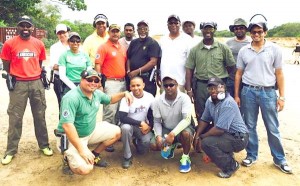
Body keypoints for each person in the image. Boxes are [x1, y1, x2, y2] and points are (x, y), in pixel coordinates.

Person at [234, 19, 292, 174]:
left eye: (260, 31)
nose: (256, 34)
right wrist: (236, 95)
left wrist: (282, 96)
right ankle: (251, 155)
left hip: (268, 92)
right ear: (250, 33)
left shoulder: (274, 49)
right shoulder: (244, 50)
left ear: (265, 32)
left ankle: (280, 159)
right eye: (253, 32)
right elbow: (238, 74)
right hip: (248, 92)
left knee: (272, 127)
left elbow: (279, 73)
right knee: (249, 126)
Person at [56, 69, 133, 175]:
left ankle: (95, 154)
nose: (93, 83)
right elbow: (67, 126)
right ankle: (67, 158)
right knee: (85, 169)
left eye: (96, 81)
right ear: (81, 80)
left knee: (117, 132)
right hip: (72, 137)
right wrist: (82, 150)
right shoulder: (71, 98)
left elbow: (110, 99)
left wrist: (124, 93)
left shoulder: (96, 93)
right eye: (89, 80)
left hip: (90, 131)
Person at [0, 15, 53, 165]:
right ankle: (11, 151)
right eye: (22, 25)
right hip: (19, 85)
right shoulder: (9, 43)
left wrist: (33, 73)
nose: (25, 28)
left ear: (32, 28)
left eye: (27, 26)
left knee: (40, 116)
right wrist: (15, 76)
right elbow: (6, 63)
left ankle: (44, 145)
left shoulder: (39, 44)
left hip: (36, 83)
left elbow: (40, 62)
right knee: (15, 118)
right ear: (18, 27)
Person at [193, 77, 249, 178]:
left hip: (238, 138)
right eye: (210, 88)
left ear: (223, 88)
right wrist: (197, 136)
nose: (213, 90)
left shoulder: (228, 103)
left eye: (216, 87)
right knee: (200, 129)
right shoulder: (210, 101)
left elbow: (219, 130)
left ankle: (231, 165)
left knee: (207, 143)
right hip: (226, 134)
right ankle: (226, 155)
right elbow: (204, 119)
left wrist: (202, 138)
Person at [185, 21, 235, 124]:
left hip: (219, 85)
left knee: (221, 110)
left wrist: (225, 83)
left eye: (210, 29)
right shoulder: (195, 50)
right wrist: (189, 90)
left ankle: (219, 137)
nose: (208, 31)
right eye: (205, 29)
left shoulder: (223, 48)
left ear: (214, 30)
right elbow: (189, 70)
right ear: (201, 30)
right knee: (201, 112)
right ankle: (203, 137)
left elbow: (231, 67)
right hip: (202, 86)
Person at [150, 75, 194, 173]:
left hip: (182, 128)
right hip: (167, 128)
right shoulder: (157, 101)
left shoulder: (184, 98)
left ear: (177, 85)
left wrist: (172, 134)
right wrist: (158, 136)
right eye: (165, 86)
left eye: (171, 85)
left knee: (186, 135)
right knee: (154, 145)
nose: (168, 87)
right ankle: (171, 146)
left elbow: (186, 120)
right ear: (162, 87)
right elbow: (157, 121)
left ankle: (185, 158)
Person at [95, 24, 127, 152]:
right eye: (113, 31)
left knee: (119, 111)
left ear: (120, 33)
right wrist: (99, 84)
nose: (115, 34)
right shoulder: (103, 47)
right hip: (110, 82)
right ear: (109, 32)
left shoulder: (122, 47)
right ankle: (105, 139)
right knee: (110, 111)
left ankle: (114, 136)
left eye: (117, 31)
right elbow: (98, 66)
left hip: (122, 82)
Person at [119, 76, 155, 169]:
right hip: (129, 126)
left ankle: (137, 141)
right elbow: (122, 117)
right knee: (125, 128)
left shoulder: (149, 97)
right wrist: (140, 123)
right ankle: (127, 156)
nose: (136, 88)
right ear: (130, 87)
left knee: (146, 146)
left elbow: (153, 114)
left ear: (143, 85)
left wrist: (149, 126)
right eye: (133, 86)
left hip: (142, 128)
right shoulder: (126, 98)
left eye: (138, 85)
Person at [126, 20, 161, 96]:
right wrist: (128, 70)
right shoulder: (133, 42)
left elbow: (153, 62)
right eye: (140, 28)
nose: (142, 31)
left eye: (145, 28)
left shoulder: (153, 43)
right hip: (133, 78)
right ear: (137, 30)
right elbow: (128, 58)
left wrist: (137, 71)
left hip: (147, 79)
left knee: (147, 102)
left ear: (148, 30)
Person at [158, 14, 192, 92]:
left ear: (180, 24)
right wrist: (158, 75)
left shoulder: (187, 39)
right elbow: (159, 59)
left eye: (176, 23)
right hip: (165, 82)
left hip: (180, 83)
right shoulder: (162, 39)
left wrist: (188, 82)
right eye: (171, 23)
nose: (173, 25)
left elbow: (190, 63)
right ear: (167, 25)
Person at [59, 32, 92, 96]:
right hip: (69, 85)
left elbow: (89, 69)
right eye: (72, 41)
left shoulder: (85, 54)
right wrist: (75, 88)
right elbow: (62, 76)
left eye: (77, 41)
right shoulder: (64, 55)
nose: (75, 43)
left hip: (84, 84)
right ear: (68, 42)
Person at [226, 18, 251, 97]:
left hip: (247, 80)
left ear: (246, 29)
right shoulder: (228, 43)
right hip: (231, 78)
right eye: (236, 28)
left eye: (241, 28)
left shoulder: (251, 42)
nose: (238, 30)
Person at [49, 23, 70, 109]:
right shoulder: (54, 47)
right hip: (60, 79)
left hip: (74, 78)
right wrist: (71, 66)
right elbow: (53, 66)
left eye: (64, 32)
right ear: (57, 34)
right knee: (62, 105)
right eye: (59, 33)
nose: (62, 35)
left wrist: (63, 66)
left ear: (68, 32)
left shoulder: (74, 44)